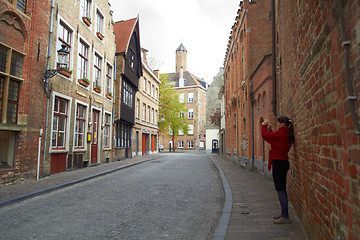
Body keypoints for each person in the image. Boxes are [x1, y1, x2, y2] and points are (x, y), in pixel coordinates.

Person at [261, 116, 295, 224]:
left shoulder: (281, 133)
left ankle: (285, 216)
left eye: (279, 123)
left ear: (282, 124)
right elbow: (276, 140)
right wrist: (271, 130)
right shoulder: (286, 133)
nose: (278, 125)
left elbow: (265, 136)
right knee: (282, 189)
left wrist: (264, 126)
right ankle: (283, 213)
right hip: (284, 161)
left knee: (280, 190)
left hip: (278, 163)